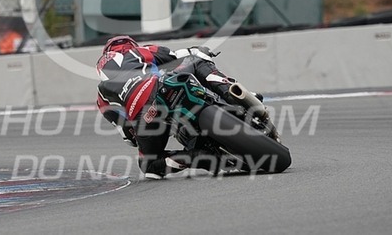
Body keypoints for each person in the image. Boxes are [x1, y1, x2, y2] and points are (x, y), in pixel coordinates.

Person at [95, 35, 265, 180]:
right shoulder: (140, 51)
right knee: (197, 61)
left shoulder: (102, 96)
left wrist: (140, 136)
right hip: (161, 85)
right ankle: (233, 93)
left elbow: (127, 135)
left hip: (144, 115)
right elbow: (178, 55)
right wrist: (201, 50)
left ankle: (199, 157)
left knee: (149, 166)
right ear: (130, 45)